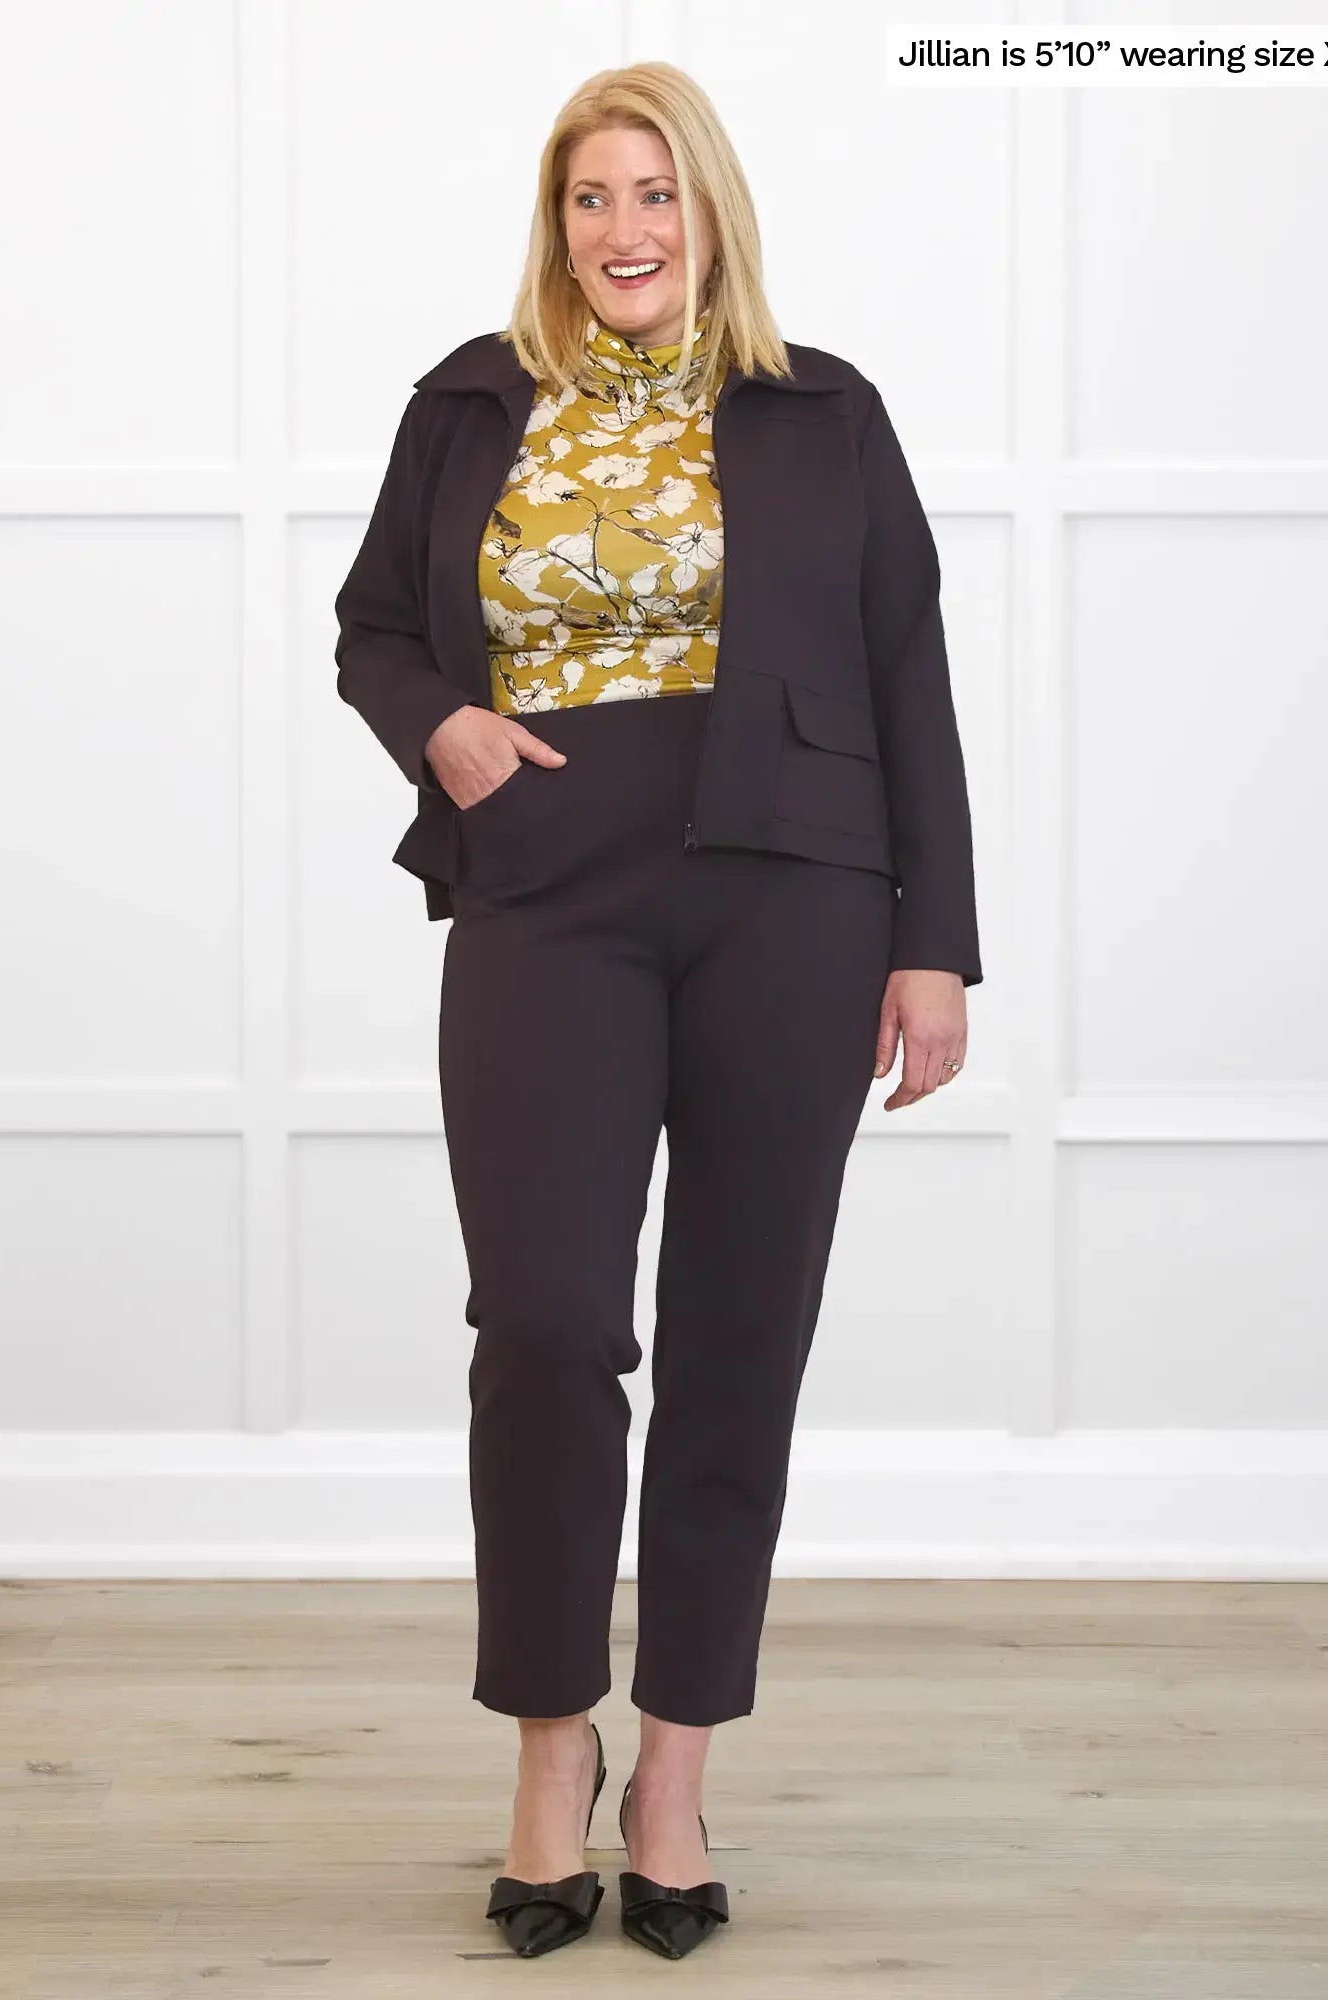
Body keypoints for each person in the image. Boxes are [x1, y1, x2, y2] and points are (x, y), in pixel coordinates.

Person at [333, 60, 981, 1962]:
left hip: (794, 893)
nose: (624, 232)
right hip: (548, 887)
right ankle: (551, 1748)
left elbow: (908, 673)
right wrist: (439, 727)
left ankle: (677, 1773)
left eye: (657, 196)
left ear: (712, 215)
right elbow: (376, 621)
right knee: (542, 1324)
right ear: (559, 227)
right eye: (591, 200)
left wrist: (932, 941)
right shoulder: (470, 402)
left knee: (735, 1337)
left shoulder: (820, 414)